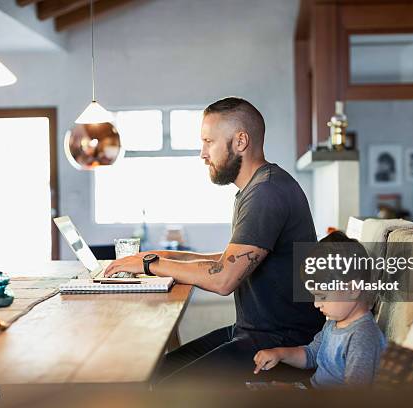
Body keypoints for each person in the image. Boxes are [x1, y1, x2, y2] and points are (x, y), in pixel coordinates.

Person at [104, 97, 325, 385]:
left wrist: (152, 265)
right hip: (255, 333)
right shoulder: (257, 187)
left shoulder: (266, 192)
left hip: (282, 345)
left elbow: (224, 279)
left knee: (163, 389)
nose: (202, 154)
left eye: (209, 142)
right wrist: (163, 255)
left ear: (240, 141)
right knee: (155, 373)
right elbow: (229, 260)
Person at [252, 231, 386, 388]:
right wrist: (279, 354)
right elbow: (311, 355)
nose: (316, 304)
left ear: (353, 289)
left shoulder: (363, 336)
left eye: (322, 297)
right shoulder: (333, 323)